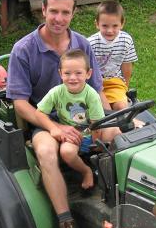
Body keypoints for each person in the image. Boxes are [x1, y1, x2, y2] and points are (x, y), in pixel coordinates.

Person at [6, 0, 116, 228]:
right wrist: (54, 128)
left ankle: (112, 197)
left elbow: (97, 89)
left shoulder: (81, 44)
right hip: (45, 120)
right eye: (53, 11)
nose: (59, 18)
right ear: (42, 10)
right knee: (45, 151)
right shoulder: (23, 49)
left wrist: (111, 118)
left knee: (117, 133)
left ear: (73, 14)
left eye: (65, 12)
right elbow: (20, 104)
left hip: (82, 119)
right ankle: (66, 224)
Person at [35, 49, 106, 190]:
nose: (72, 78)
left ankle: (108, 169)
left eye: (78, 73)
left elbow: (97, 124)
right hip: (72, 134)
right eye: (67, 73)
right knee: (66, 152)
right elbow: (40, 113)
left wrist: (95, 144)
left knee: (116, 134)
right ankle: (86, 171)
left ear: (88, 74)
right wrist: (54, 128)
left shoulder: (91, 95)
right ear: (60, 73)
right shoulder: (56, 92)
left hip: (93, 132)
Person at [88, 0, 139, 111]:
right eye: (105, 26)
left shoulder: (126, 40)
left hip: (115, 82)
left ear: (122, 23)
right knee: (103, 111)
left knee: (122, 108)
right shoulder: (90, 43)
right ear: (97, 24)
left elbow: (127, 65)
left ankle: (131, 122)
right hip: (95, 84)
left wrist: (125, 87)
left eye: (115, 26)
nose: (110, 30)